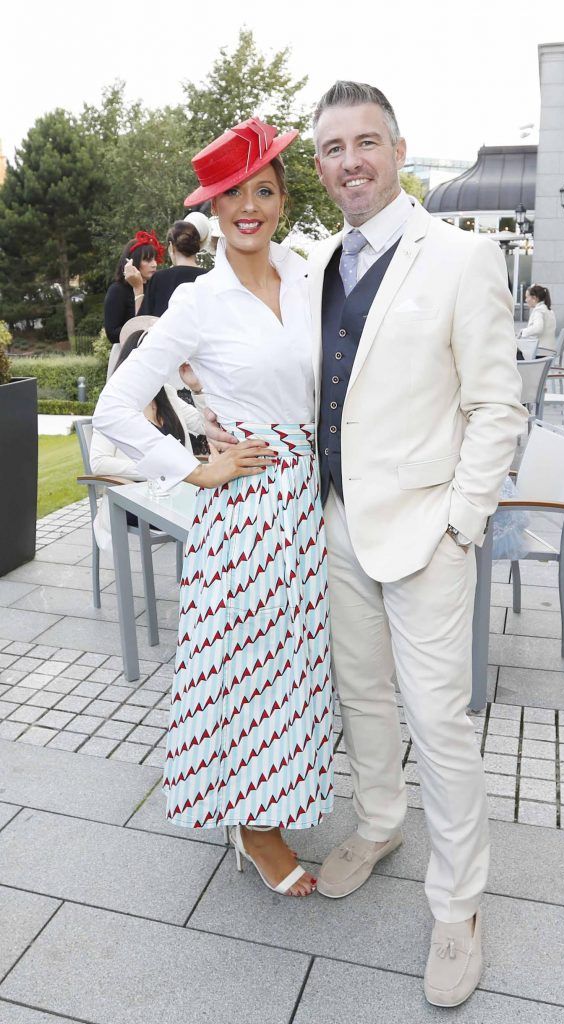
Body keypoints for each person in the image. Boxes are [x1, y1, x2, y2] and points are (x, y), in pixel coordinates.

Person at [205, 82, 527, 1006]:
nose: (351, 160)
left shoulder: (460, 259)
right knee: (361, 697)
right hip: (330, 519)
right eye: (333, 147)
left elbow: (495, 404)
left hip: (426, 530)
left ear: (396, 149)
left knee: (441, 724)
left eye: (367, 142)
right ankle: (380, 820)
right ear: (317, 165)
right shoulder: (310, 267)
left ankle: (458, 908)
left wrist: (462, 523)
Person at [93, 117, 334, 898]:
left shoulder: (307, 274)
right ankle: (257, 827)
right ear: (212, 214)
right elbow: (116, 408)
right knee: (255, 670)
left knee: (294, 667)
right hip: (246, 504)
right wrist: (195, 468)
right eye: (232, 198)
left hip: (308, 499)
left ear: (281, 197)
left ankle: (266, 803)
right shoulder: (198, 301)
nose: (249, 209)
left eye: (262, 191)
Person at [90, 317, 205, 552]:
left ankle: (206, 579)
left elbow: (205, 425)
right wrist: (161, 469)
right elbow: (98, 463)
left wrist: (197, 388)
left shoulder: (168, 395)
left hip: (177, 493)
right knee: (207, 519)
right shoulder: (115, 405)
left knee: (218, 511)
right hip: (134, 497)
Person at [104, 231, 163, 375]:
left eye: (155, 259)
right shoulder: (118, 290)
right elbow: (112, 333)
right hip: (126, 357)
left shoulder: (155, 287)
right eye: (148, 260)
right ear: (133, 263)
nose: (154, 264)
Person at [142, 220, 208, 316]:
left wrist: (138, 290)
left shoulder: (159, 278)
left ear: (171, 247)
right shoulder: (210, 277)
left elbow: (143, 321)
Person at [518, 283, 556, 353]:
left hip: (541, 352)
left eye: (527, 297)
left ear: (534, 298)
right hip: (548, 351)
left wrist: (523, 332)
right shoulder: (548, 310)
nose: (525, 300)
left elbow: (538, 328)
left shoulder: (539, 311)